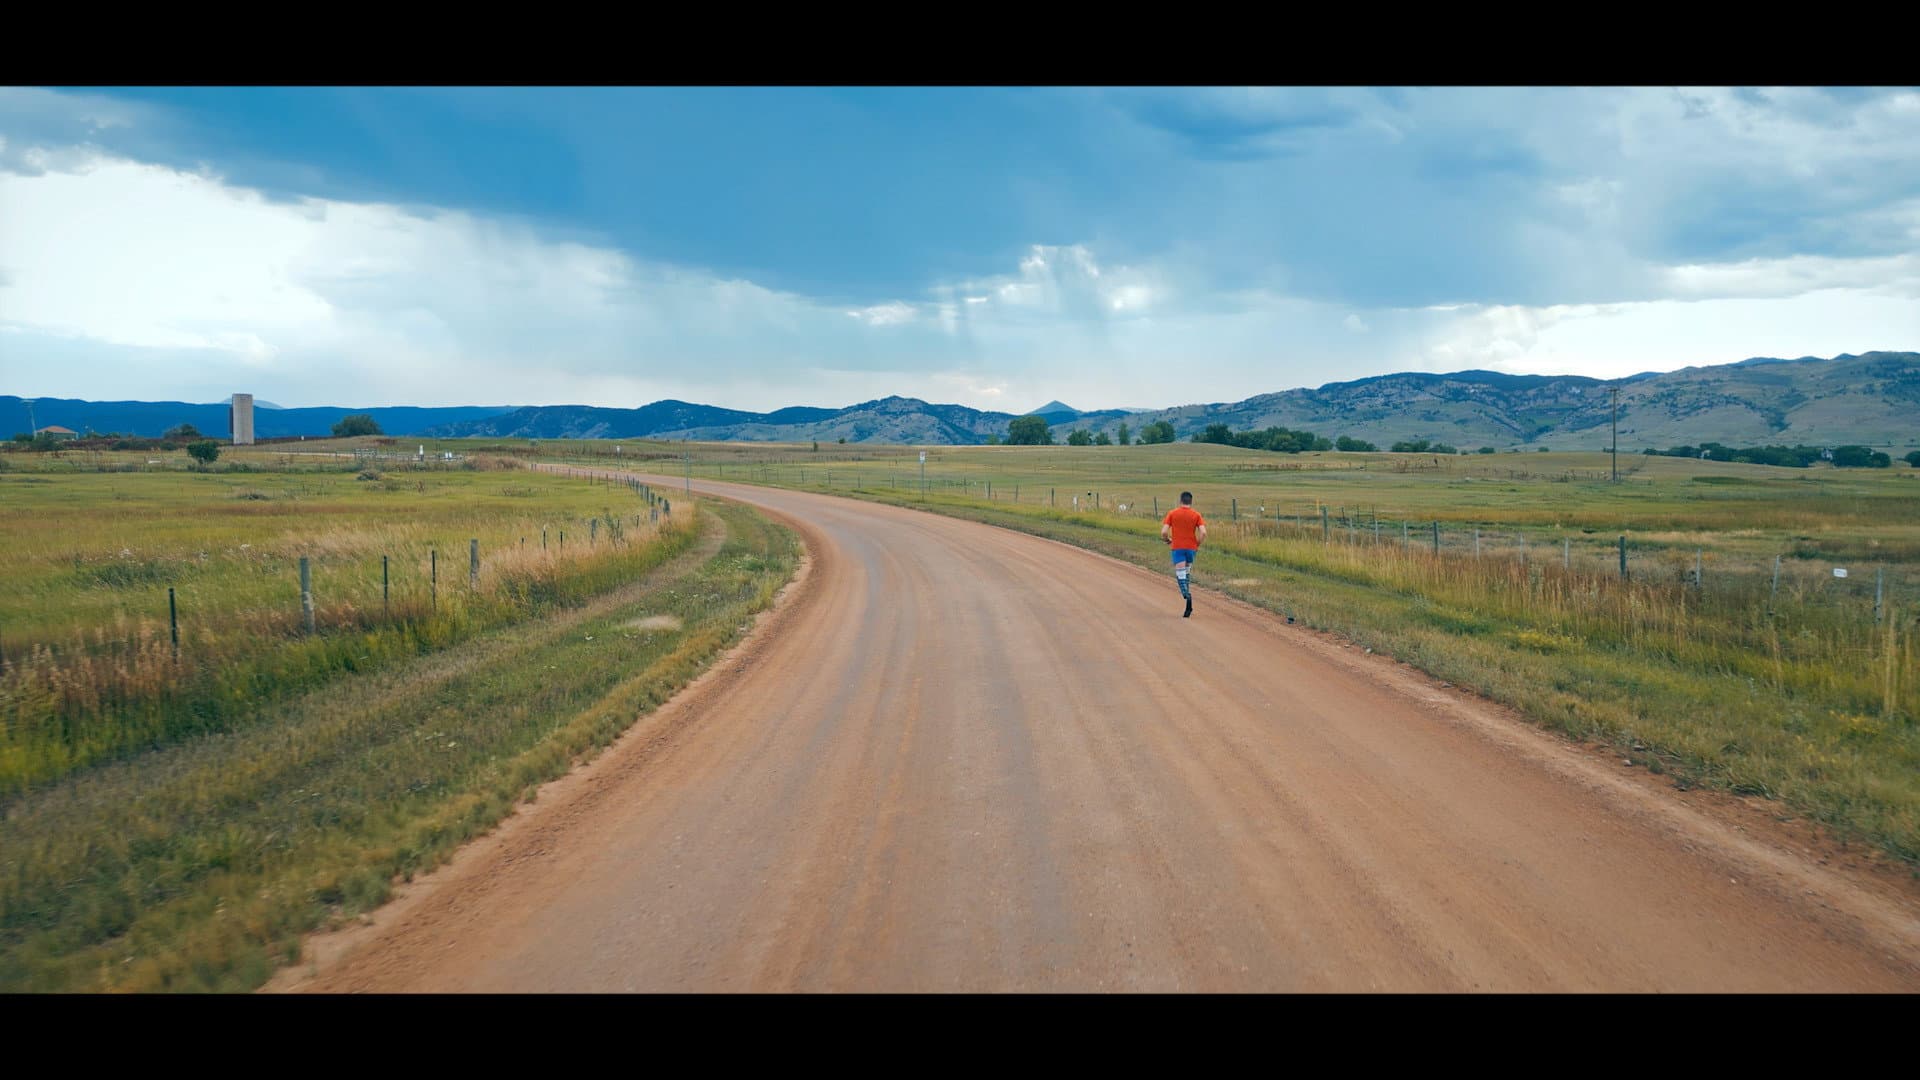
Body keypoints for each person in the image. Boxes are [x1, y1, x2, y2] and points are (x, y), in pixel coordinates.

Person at [1160, 491, 1206, 618]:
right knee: (1186, 573)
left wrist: (1168, 540)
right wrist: (1197, 544)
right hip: (1191, 549)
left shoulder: (1172, 513)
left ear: (1180, 501)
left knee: (1180, 575)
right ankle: (1188, 604)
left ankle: (1186, 595)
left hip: (1178, 547)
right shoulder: (1196, 515)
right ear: (1191, 501)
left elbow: (1164, 532)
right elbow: (1203, 532)